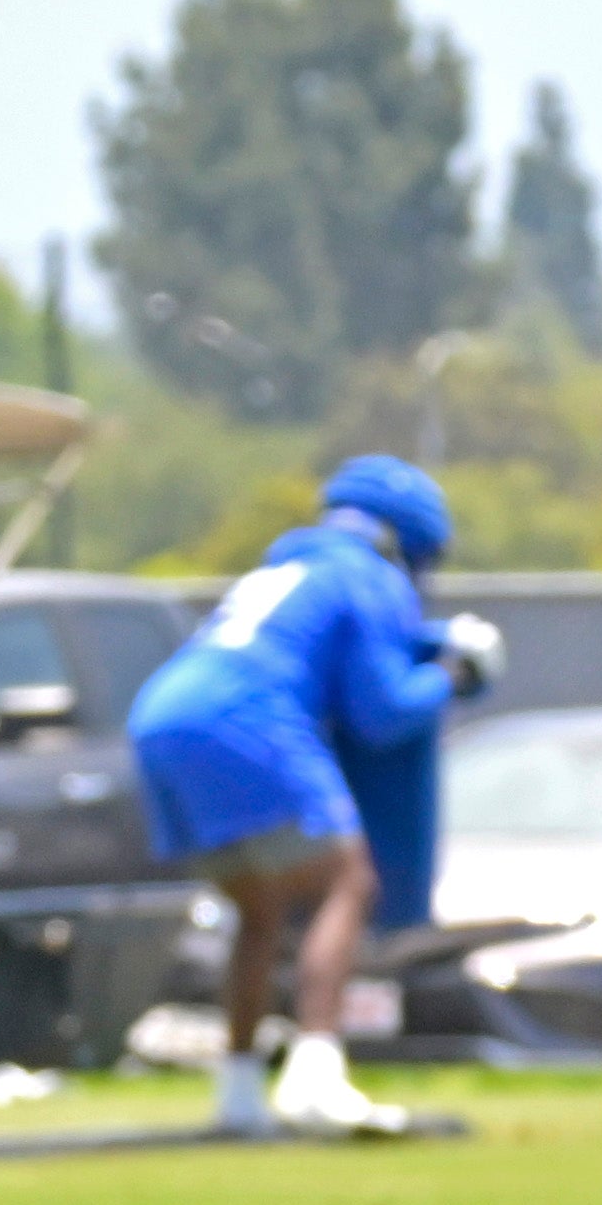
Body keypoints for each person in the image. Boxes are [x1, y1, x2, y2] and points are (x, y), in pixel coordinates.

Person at [126, 455, 495, 1136]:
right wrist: (452, 671)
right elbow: (382, 712)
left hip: (159, 715)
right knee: (347, 881)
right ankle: (316, 1074)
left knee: (258, 908)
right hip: (243, 717)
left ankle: (238, 1092)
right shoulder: (369, 575)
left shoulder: (282, 569)